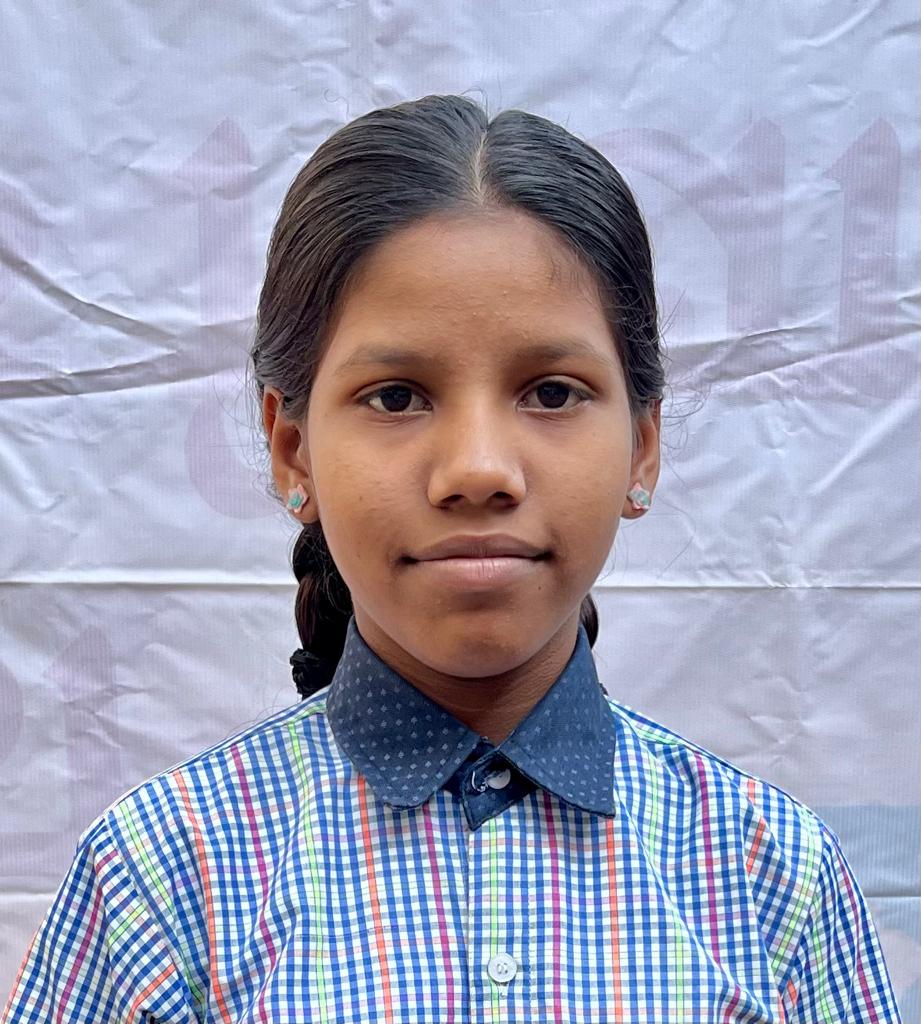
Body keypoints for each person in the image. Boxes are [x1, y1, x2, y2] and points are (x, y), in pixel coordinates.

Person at [2, 93, 901, 1024]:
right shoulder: (159, 884)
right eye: (396, 397)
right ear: (291, 448)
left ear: (642, 445)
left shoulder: (769, 877)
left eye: (551, 391)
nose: (477, 470)